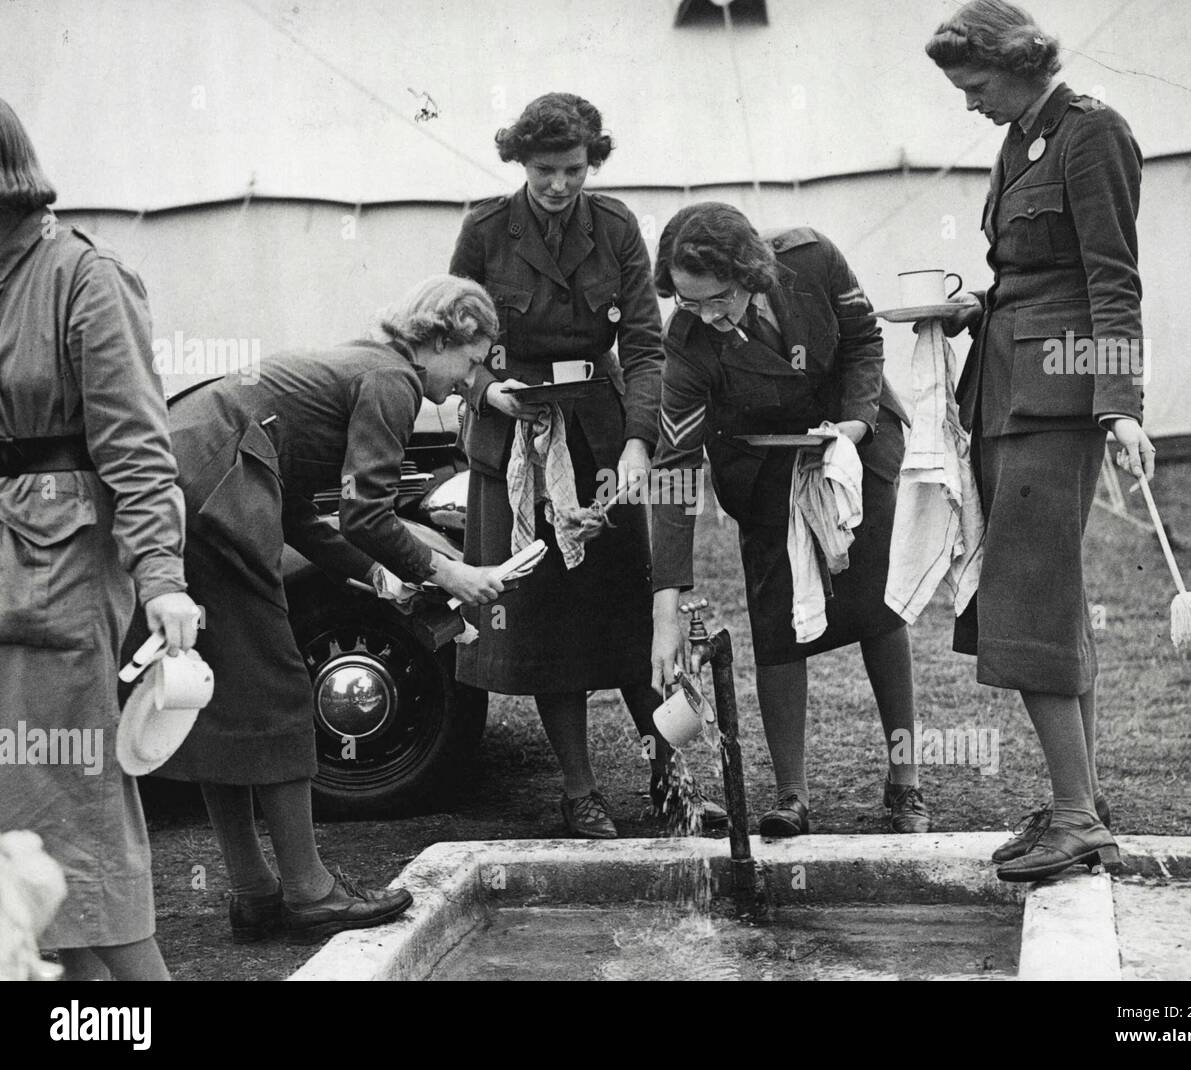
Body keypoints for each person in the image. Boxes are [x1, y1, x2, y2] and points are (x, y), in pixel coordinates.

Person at [148, 275, 504, 942]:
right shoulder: (393, 380)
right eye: (473, 359)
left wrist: (376, 574)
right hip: (217, 484)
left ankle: (255, 892)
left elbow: (299, 513)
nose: (469, 380)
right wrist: (447, 568)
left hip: (186, 477)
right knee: (282, 684)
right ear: (437, 340)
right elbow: (370, 511)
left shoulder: (361, 365)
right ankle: (310, 893)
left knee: (218, 693)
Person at [450, 91, 725, 838]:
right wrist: (484, 390)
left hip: (601, 437)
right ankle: (579, 792)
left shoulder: (616, 228)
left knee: (632, 614)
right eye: (545, 170)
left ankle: (673, 779)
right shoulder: (484, 228)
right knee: (547, 623)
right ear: (520, 162)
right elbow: (452, 333)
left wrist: (640, 438)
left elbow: (642, 342)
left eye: (573, 169)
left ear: (591, 161)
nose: (560, 185)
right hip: (516, 441)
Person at [925, 0, 1155, 880]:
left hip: (1059, 403)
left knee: (1025, 600)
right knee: (1043, 600)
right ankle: (1079, 803)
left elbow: (1111, 278)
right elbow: (1030, 274)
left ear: (1021, 61)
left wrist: (1122, 402)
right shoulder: (1021, 136)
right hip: (1006, 386)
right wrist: (973, 308)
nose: (968, 101)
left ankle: (1073, 817)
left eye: (974, 83)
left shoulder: (1092, 134)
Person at [649, 202, 932, 838]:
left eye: (718, 299)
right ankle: (791, 796)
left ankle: (905, 782)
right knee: (778, 625)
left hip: (853, 451)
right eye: (690, 304)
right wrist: (666, 608)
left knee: (880, 613)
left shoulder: (811, 258)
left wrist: (855, 426)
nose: (708, 318)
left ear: (750, 271)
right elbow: (672, 469)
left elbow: (863, 339)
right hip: (762, 478)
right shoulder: (687, 340)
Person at [0, 97, 200, 980]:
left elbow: (138, 448)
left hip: (58, 581)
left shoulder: (84, 276)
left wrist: (162, 576)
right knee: (22, 858)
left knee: (76, 832)